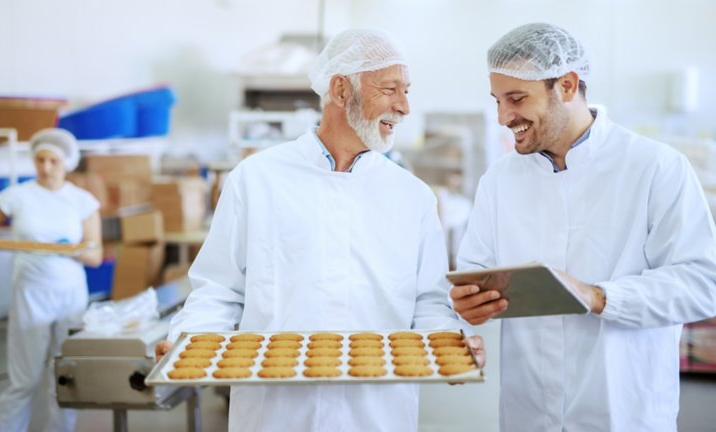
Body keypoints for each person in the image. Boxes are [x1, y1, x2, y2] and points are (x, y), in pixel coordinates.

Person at [156, 28, 484, 432]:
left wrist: (450, 346)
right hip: (275, 411)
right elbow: (220, 289)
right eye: (391, 89)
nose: (404, 106)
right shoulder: (256, 179)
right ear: (342, 90)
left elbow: (430, 303)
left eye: (407, 90)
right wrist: (190, 343)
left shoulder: (413, 197)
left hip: (376, 411)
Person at [450, 22, 716, 431]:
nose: (504, 117)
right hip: (528, 412)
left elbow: (702, 285)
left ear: (568, 85)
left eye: (516, 99)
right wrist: (468, 304)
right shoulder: (500, 180)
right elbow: (475, 271)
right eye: (497, 101)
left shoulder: (654, 167)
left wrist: (599, 297)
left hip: (624, 412)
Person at [0, 128, 103, 432]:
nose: (45, 167)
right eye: (40, 160)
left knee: (65, 375)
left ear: (67, 163)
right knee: (24, 379)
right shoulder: (16, 196)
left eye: (53, 161)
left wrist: (70, 251)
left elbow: (95, 255)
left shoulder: (82, 201)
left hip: (69, 295)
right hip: (30, 293)